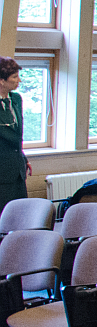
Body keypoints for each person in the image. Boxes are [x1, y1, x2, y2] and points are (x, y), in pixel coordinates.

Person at [0, 57, 30, 216]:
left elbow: (16, 134)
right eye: (14, 77)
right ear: (1, 80)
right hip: (2, 172)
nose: (19, 80)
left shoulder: (16, 99)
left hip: (17, 170)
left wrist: (23, 157)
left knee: (20, 215)